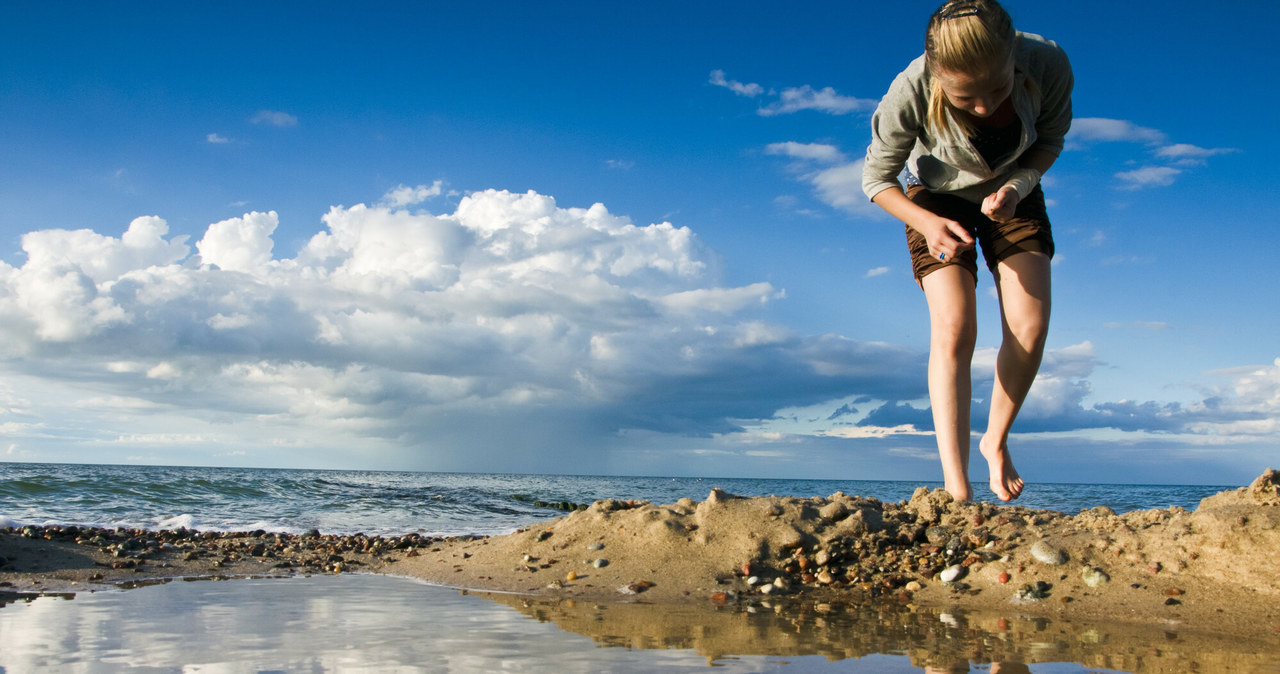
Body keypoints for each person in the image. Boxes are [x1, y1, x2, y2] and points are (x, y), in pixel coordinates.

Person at [862, 0, 1072, 501]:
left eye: (996, 89)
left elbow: (1051, 139)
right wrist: (928, 223)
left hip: (1012, 188)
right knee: (956, 326)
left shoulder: (1048, 63)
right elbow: (875, 179)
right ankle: (957, 489)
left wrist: (1018, 187)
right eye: (964, 97)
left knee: (1030, 325)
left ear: (1014, 60)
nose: (982, 107)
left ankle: (995, 441)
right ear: (937, 77)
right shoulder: (909, 90)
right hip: (932, 197)